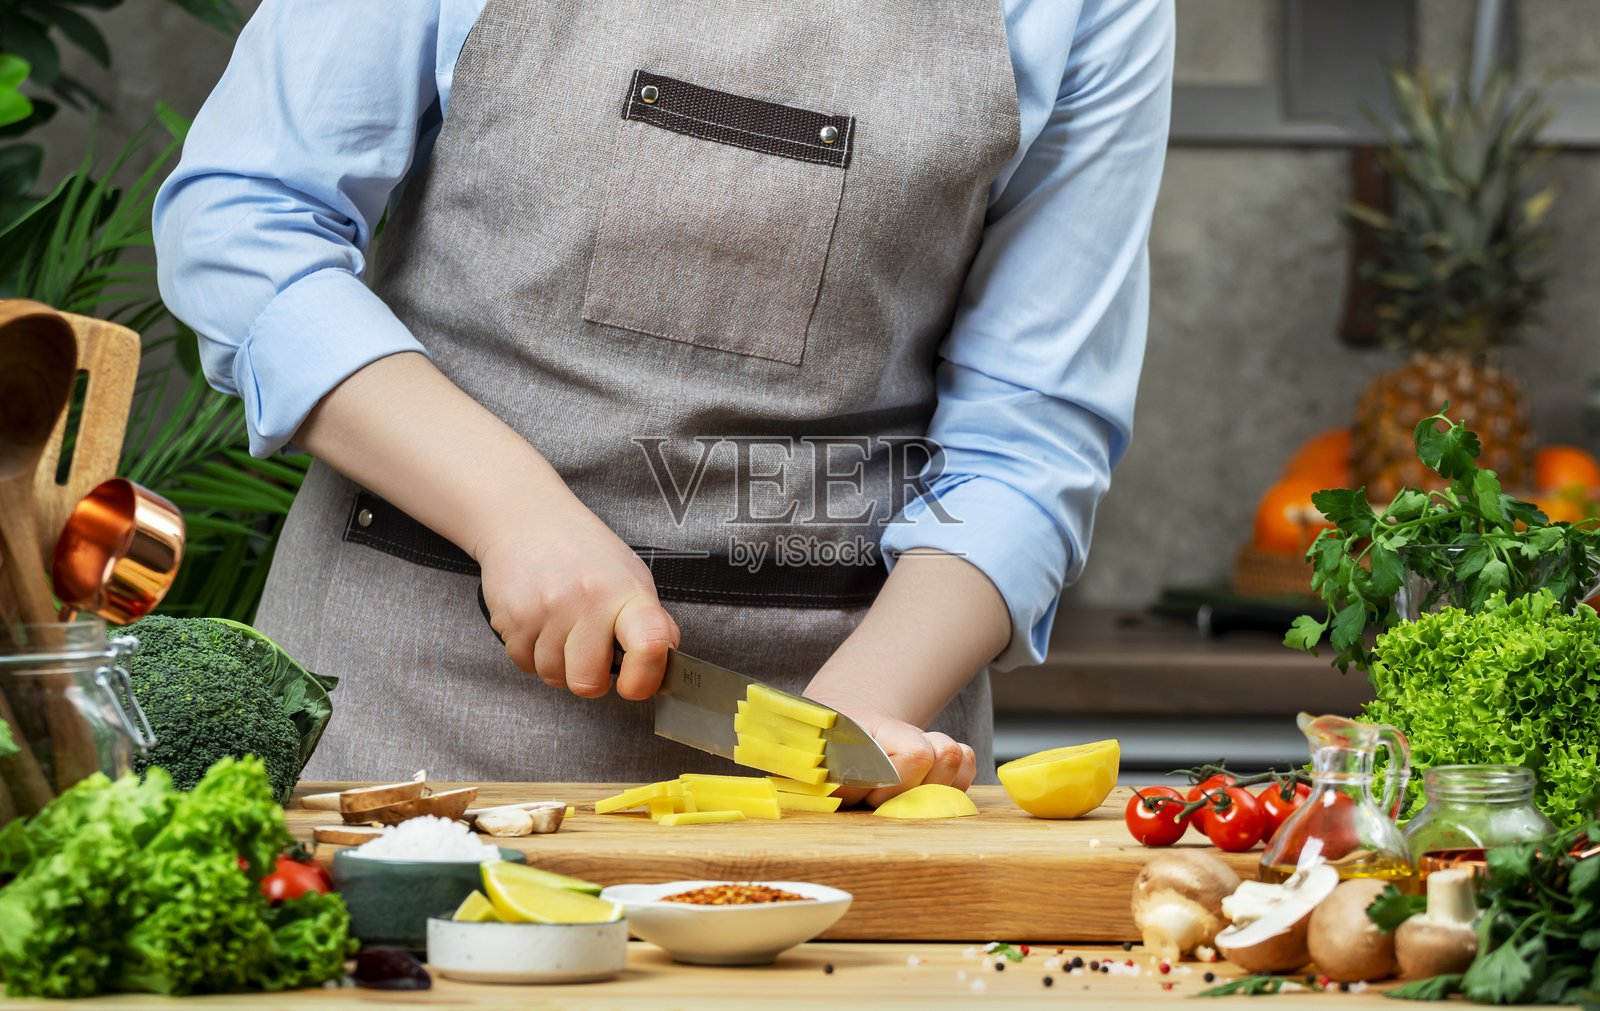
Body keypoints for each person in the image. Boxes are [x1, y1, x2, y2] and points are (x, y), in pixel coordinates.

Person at [153, 0, 1174, 803]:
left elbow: (1031, 436)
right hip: (412, 719)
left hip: (865, 730)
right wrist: (512, 511)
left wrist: (850, 730)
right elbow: (243, 227)